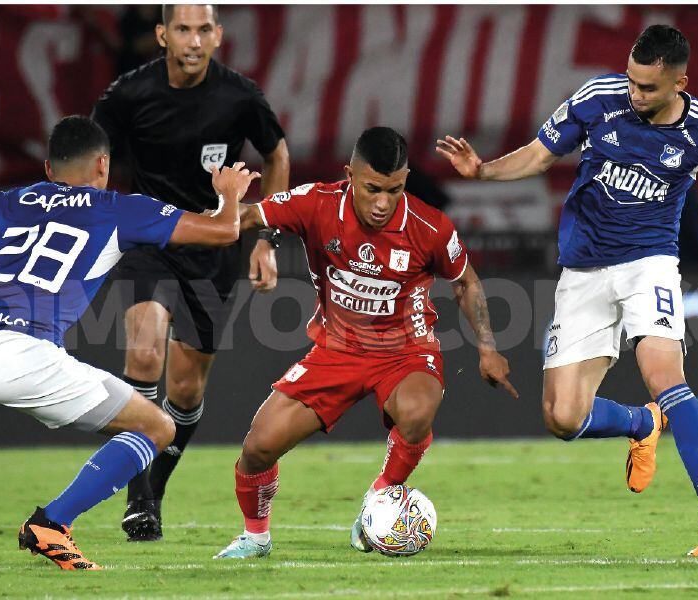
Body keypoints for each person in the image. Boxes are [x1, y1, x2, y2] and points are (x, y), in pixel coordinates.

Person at [437, 24, 698, 556]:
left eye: (649, 88)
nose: (636, 94)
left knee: (667, 379)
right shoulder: (598, 99)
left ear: (681, 81)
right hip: (582, 271)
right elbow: (541, 153)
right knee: (562, 418)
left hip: (649, 265)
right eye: (632, 81)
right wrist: (484, 171)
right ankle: (640, 423)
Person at [0, 115, 258, 569]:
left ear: (47, 168)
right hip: (23, 355)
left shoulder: (2, 201)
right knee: (156, 427)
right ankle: (52, 524)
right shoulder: (117, 208)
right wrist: (230, 195)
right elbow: (223, 232)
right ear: (103, 164)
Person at [212, 126, 518, 559]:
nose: (382, 202)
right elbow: (243, 218)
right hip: (336, 351)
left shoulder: (429, 225)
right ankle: (256, 537)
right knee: (258, 448)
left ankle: (377, 501)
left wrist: (487, 346)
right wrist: (228, 198)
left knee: (416, 413)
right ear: (348, 175)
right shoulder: (316, 203)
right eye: (372, 188)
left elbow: (465, 282)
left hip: (406, 352)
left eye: (394, 190)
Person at [91, 3, 290, 541]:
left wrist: (263, 236)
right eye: (183, 29)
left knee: (184, 386)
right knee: (145, 348)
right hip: (152, 238)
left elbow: (277, 155)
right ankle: (138, 499)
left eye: (204, 29)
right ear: (162, 35)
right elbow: (91, 158)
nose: (194, 40)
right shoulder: (128, 95)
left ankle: (153, 488)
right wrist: (94, 220)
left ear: (219, 36)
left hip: (214, 247)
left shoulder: (239, 96)